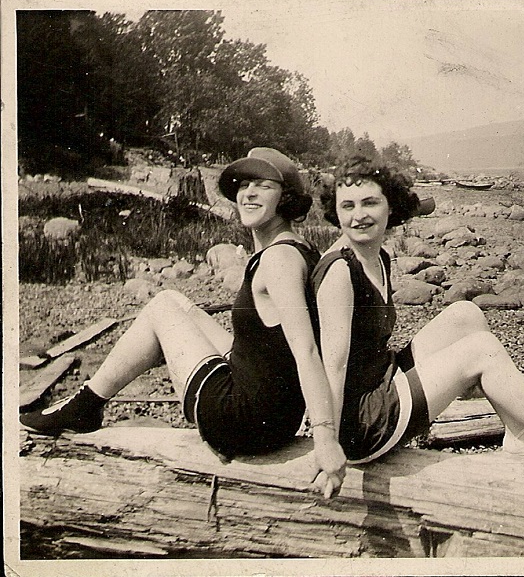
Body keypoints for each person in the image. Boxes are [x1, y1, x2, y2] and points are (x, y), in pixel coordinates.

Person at [308, 157, 524, 498]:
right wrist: (328, 446)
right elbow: (330, 368)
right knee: (481, 351)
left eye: (369, 202)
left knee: (466, 314)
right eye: (347, 206)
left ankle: (522, 433)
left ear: (390, 206)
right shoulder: (339, 271)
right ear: (335, 212)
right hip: (361, 425)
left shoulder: (375, 254)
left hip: (381, 381)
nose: (358, 215)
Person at [21, 147, 326, 462]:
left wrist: (326, 437)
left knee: (161, 309)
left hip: (241, 423)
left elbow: (306, 351)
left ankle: (83, 405)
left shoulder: (279, 259)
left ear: (286, 197)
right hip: (273, 420)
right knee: (173, 301)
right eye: (244, 185)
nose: (248, 194)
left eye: (263, 185)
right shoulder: (297, 248)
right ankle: (84, 404)